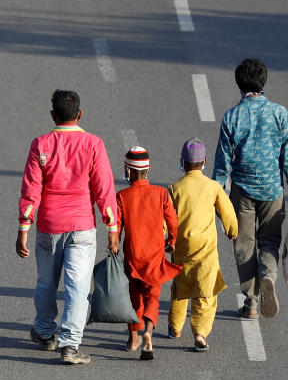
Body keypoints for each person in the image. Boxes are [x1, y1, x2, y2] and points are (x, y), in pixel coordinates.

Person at [16, 90, 119, 365]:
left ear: (53, 115)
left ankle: (45, 332)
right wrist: (113, 228)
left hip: (49, 226)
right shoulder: (93, 144)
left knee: (46, 282)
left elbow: (31, 191)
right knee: (77, 287)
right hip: (82, 227)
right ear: (80, 114)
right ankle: (70, 345)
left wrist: (23, 228)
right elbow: (104, 189)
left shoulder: (41, 144)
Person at [212, 59, 288, 319]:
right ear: (263, 82)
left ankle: (251, 302)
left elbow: (222, 164)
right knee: (270, 242)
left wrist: (216, 197)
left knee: (244, 245)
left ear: (239, 83)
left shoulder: (232, 116)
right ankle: (268, 277)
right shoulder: (280, 113)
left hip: (242, 192)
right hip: (273, 191)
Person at [167, 138, 238, 350]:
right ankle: (199, 335)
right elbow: (228, 213)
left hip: (181, 249)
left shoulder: (175, 188)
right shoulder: (213, 187)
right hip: (206, 250)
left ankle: (175, 327)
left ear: (182, 161)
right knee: (206, 293)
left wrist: (164, 239)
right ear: (205, 160)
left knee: (181, 289)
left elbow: (166, 218)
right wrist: (232, 230)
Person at [115, 146, 182, 361]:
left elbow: (116, 226)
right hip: (155, 255)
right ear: (148, 170)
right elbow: (172, 220)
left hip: (133, 257)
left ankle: (133, 338)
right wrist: (171, 240)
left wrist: (114, 243)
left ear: (129, 171)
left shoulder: (122, 196)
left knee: (134, 297)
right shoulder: (160, 193)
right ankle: (148, 333)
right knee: (153, 296)